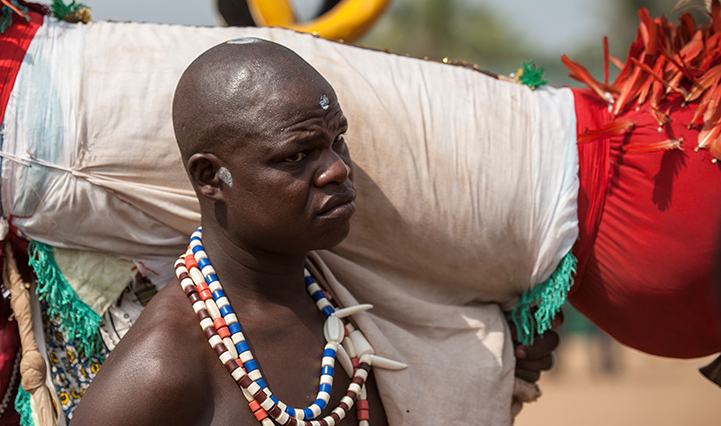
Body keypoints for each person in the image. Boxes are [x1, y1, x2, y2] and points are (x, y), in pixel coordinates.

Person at [71, 38, 556, 426]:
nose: (337, 170)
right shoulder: (162, 371)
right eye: (296, 156)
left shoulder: (360, 307)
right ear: (209, 178)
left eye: (336, 140)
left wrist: (505, 353)